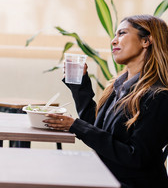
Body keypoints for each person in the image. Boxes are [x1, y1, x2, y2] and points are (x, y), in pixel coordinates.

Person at [44, 15, 168, 188]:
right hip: (107, 178)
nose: (113, 41)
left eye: (122, 33)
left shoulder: (159, 96)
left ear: (146, 41)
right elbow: (97, 129)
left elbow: (135, 156)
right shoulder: (119, 86)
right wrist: (79, 84)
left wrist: (76, 125)